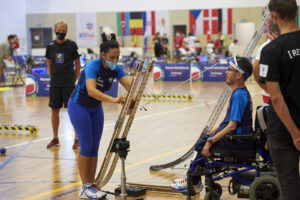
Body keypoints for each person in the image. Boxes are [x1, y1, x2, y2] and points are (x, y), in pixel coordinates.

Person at [171, 56, 254, 194]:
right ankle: (193, 179)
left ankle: (193, 182)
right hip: (238, 138)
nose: (226, 72)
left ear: (238, 75)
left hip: (239, 141)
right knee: (205, 138)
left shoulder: (239, 95)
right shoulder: (239, 93)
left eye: (229, 69)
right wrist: (216, 130)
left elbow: (232, 126)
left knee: (202, 143)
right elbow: (230, 121)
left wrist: (211, 141)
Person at [67, 33, 131, 199]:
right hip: (79, 106)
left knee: (95, 147)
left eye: (118, 57)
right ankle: (84, 187)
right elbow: (91, 91)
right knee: (86, 145)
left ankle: (92, 185)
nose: (115, 61)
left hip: (95, 109)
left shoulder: (116, 69)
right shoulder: (92, 66)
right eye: (112, 57)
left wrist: (137, 90)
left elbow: (131, 86)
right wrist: (115, 99)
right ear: (103, 55)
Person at [260, 0, 300, 199]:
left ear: (274, 15)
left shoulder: (270, 50)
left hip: (284, 131)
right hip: (287, 131)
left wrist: (295, 134)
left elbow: (276, 98)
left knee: (290, 187)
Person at [45, 21, 81, 149]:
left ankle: (77, 139)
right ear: (55, 30)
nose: (61, 32)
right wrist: (52, 77)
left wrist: (74, 79)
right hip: (55, 84)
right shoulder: (50, 46)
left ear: (66, 31)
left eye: (63, 30)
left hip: (69, 84)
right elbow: (48, 63)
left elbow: (78, 64)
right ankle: (55, 138)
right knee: (54, 110)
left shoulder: (72, 45)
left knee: (73, 111)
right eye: (59, 30)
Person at [253, 23, 280, 104]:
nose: (280, 36)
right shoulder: (264, 48)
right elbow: (255, 69)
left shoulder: (280, 45)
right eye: (278, 34)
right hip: (269, 94)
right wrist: (265, 88)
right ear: (271, 33)